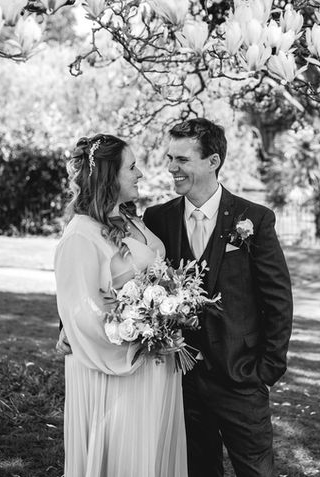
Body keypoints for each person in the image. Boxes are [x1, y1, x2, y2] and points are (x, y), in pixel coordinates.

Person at [143, 118, 293, 477]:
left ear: (213, 162)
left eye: (182, 160)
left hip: (241, 379)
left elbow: (277, 300)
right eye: (170, 158)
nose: (171, 168)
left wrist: (265, 371)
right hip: (181, 381)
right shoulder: (157, 218)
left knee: (256, 472)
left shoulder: (254, 219)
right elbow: (120, 268)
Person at [54, 134, 187, 477]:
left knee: (151, 456)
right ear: (109, 176)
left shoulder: (129, 220)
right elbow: (81, 310)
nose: (140, 173)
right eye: (131, 167)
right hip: (117, 370)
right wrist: (142, 335)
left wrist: (168, 314)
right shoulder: (81, 233)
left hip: (153, 365)